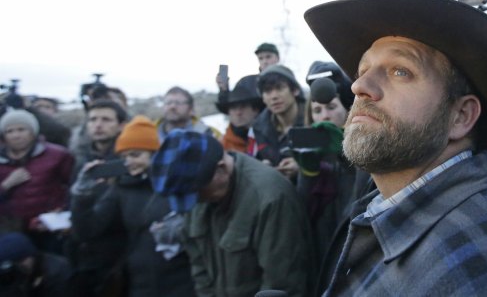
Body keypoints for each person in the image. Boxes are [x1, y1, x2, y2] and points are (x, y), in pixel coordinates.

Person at [303, 0, 487, 296]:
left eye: (400, 71)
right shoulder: (381, 209)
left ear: (460, 116)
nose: (359, 86)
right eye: (362, 71)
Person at [150, 130, 312, 297]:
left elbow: (282, 281)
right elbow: (199, 266)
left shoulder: (271, 198)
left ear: (221, 169)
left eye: (199, 193)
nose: (197, 201)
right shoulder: (197, 189)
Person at [70, 115, 195, 297]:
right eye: (124, 156)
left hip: (183, 280)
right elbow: (88, 230)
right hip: (140, 282)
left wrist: (183, 228)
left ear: (155, 154)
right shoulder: (121, 189)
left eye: (136, 155)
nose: (129, 162)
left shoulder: (179, 184)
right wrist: (82, 195)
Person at [293, 61, 358, 268]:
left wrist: (344, 154)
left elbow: (356, 200)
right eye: (317, 110)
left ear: (348, 110)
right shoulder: (309, 149)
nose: (325, 116)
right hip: (320, 250)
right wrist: (307, 172)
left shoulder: (365, 152)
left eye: (331, 107)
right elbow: (303, 211)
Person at [65, 98, 129, 297]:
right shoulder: (81, 161)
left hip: (117, 255)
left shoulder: (128, 161)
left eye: (106, 120)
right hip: (82, 254)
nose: (98, 125)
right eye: (93, 120)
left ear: (121, 126)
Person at [0, 109, 74, 253]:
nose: (16, 135)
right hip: (9, 229)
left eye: (21, 129)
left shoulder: (58, 155)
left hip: (48, 226)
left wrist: (62, 210)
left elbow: (73, 187)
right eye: (10, 131)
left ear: (33, 132)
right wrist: (6, 185)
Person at [247, 64, 305, 180]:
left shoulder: (314, 117)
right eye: (268, 91)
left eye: (280, 88)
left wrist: (303, 167)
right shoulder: (257, 128)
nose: (274, 96)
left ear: (295, 90)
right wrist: (262, 167)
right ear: (262, 98)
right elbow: (252, 163)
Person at [0, 231, 72, 297]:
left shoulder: (57, 271)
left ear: (31, 256)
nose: (18, 266)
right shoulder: (11, 275)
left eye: (20, 260)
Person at [215, 75, 265, 152]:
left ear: (256, 110)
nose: (238, 112)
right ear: (228, 112)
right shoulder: (222, 147)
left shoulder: (270, 137)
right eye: (233, 108)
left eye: (243, 106)